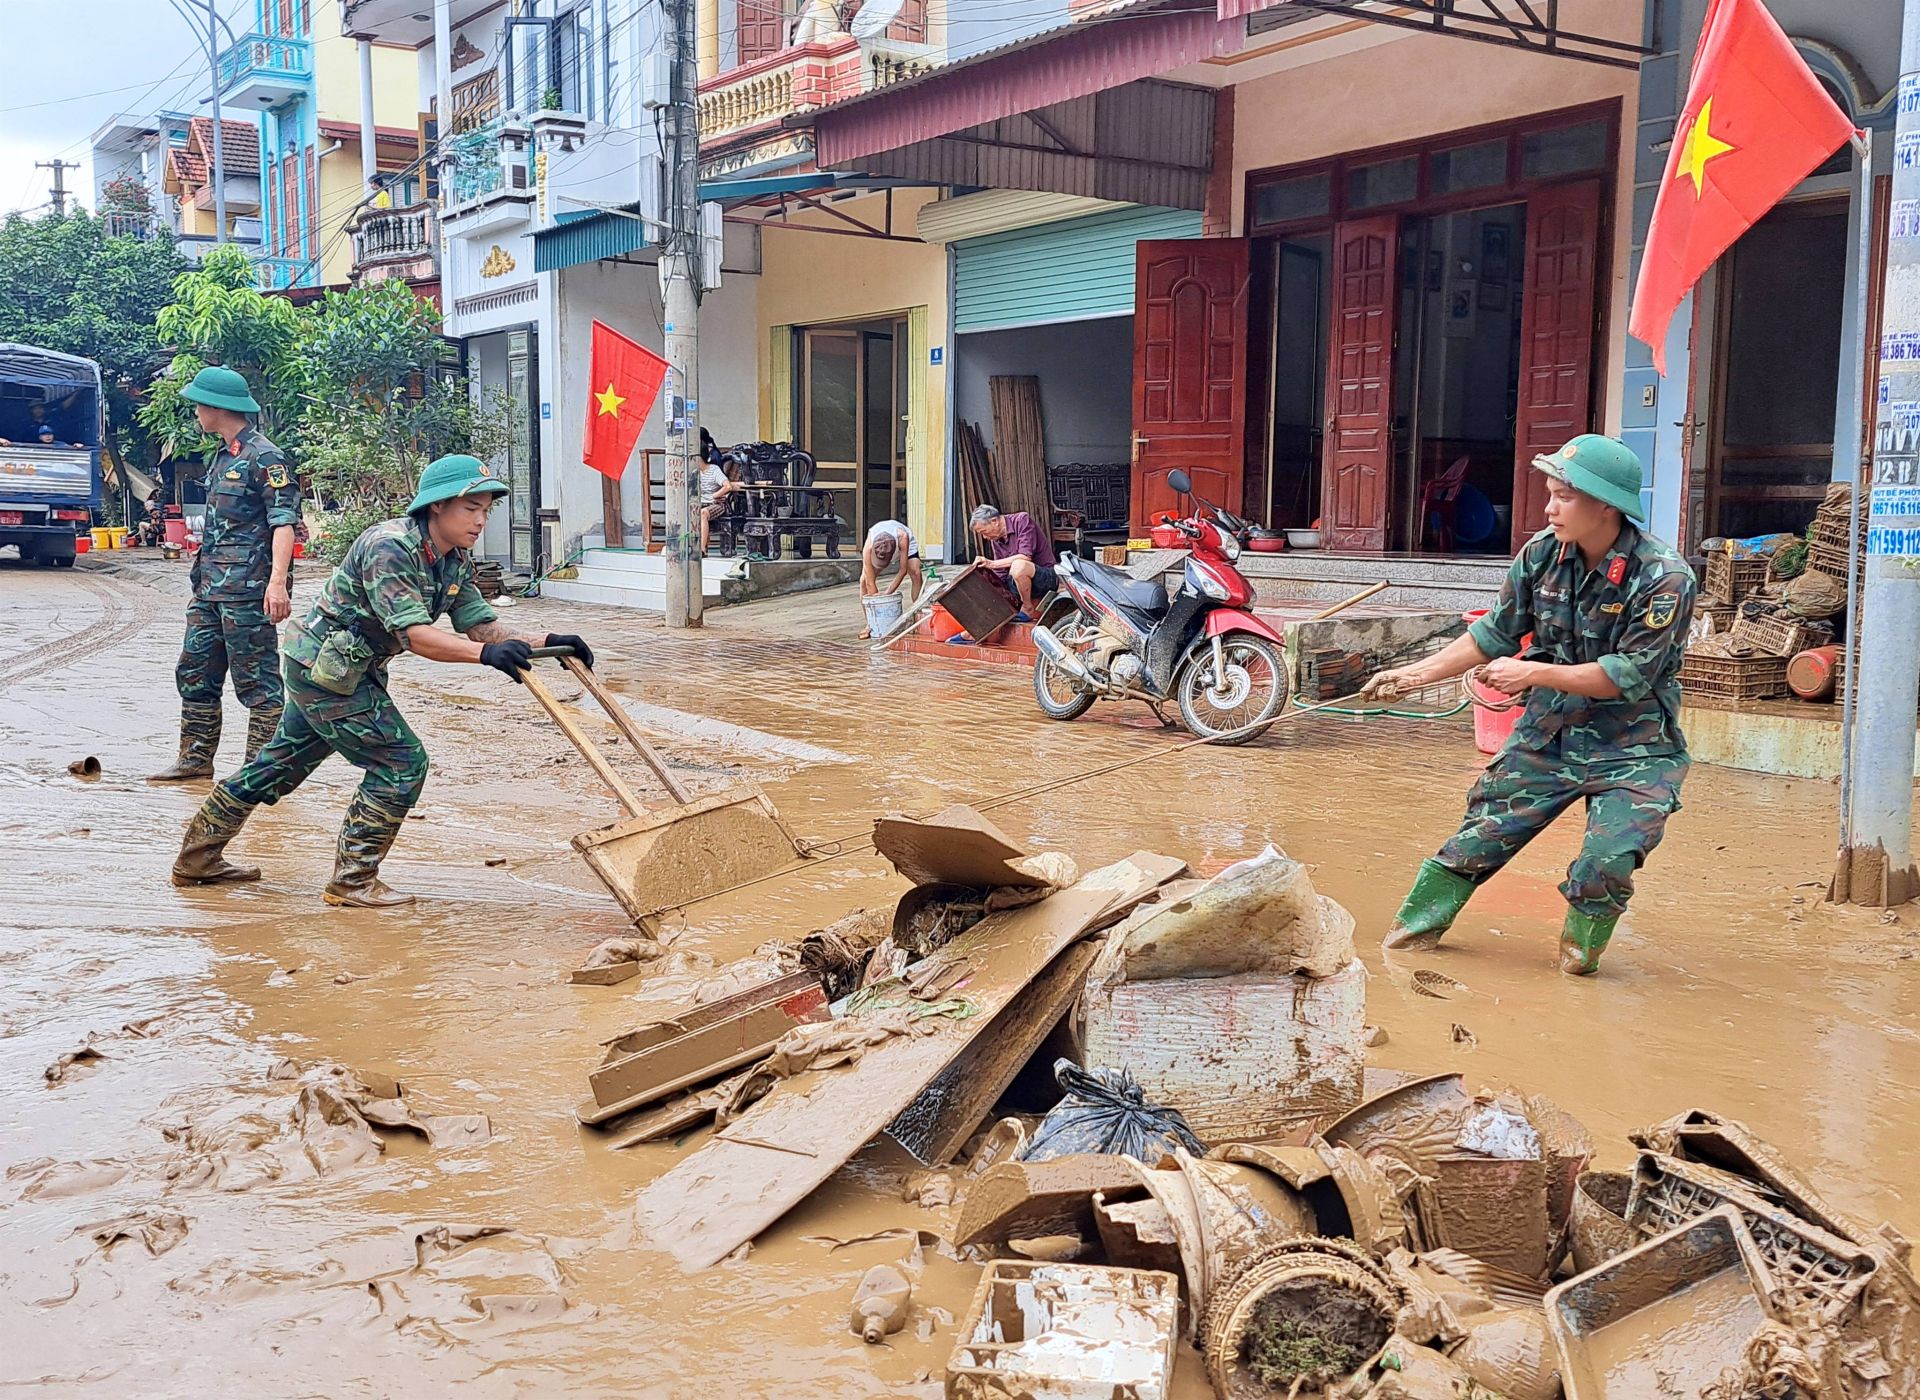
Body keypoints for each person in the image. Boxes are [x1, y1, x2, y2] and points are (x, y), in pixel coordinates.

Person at [170, 453, 596, 908]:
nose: (481, 521)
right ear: (438, 506)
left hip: (345, 669)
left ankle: (197, 859)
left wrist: (545, 640)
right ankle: (353, 881)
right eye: (472, 509)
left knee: (276, 766)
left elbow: (481, 627)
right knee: (401, 762)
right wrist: (486, 656)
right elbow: (416, 637)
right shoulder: (389, 547)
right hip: (324, 670)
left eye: (487, 510)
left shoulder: (452, 559)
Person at [1360, 435, 1695, 977]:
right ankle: (1401, 947)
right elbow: (1495, 633)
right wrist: (1413, 674)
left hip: (1635, 751)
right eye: (1550, 493)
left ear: (1604, 504)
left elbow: (1628, 674)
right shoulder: (1540, 554)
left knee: (1604, 866)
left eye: (1563, 496)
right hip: (1549, 736)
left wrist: (1533, 671)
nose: (1548, 507)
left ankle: (1577, 967)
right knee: (1475, 842)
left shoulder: (1665, 579)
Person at [150, 367, 301, 782]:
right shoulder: (222, 457)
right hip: (210, 588)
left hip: (248, 591)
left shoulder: (265, 457)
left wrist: (276, 583)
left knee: (259, 682)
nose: (196, 411)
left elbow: (283, 523)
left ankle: (262, 770)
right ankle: (195, 760)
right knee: (195, 671)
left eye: (199, 404)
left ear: (218, 407)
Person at [968, 504, 1056, 620]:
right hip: (1016, 584)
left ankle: (1028, 607)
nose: (984, 537)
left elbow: (1025, 556)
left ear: (995, 521)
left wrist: (991, 563)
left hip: (1045, 579)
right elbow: (1001, 574)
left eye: (984, 532)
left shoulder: (1022, 520)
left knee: (1018, 565)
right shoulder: (996, 538)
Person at [857, 519, 922, 639]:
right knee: (863, 581)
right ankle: (870, 624)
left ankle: (918, 613)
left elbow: (902, 571)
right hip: (879, 544)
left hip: (905, 546)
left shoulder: (903, 537)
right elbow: (870, 583)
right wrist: (878, 603)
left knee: (916, 573)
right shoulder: (869, 547)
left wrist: (888, 593)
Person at [697, 453, 744, 555]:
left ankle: (702, 549)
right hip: (701, 503)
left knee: (703, 513)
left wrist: (715, 495)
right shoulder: (695, 472)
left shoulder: (714, 470)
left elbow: (728, 486)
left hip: (717, 504)